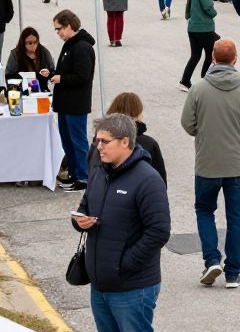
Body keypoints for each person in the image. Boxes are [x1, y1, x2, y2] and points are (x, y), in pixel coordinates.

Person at [181, 39, 240, 290]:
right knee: (236, 218)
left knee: (205, 210)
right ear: (236, 60)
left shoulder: (198, 89)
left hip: (207, 163)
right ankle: (233, 273)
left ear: (213, 60)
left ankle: (211, 259)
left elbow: (188, 124)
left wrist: (203, 131)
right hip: (238, 165)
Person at [73, 113, 170, 332]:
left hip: (132, 288)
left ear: (125, 141)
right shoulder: (98, 173)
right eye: (97, 140)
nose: (99, 147)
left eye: (105, 141)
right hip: (100, 284)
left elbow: (159, 231)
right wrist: (79, 221)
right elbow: (84, 207)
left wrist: (123, 265)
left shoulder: (148, 180)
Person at [50, 9, 97, 192]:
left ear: (69, 25)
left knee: (78, 141)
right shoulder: (70, 44)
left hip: (76, 103)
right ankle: (73, 172)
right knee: (66, 140)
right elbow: (67, 70)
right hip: (64, 102)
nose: (58, 33)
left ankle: (83, 177)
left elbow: (82, 77)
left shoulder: (82, 47)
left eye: (59, 29)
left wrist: (61, 79)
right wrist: (54, 74)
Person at [89, 92, 166, 185]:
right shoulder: (148, 144)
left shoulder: (99, 140)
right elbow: (160, 182)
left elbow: (91, 170)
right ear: (138, 115)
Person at [181, 0, 218, 92]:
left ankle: (185, 81)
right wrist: (214, 12)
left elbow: (188, 7)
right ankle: (205, 80)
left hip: (193, 27)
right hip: (205, 27)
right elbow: (208, 7)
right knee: (213, 51)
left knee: (195, 55)